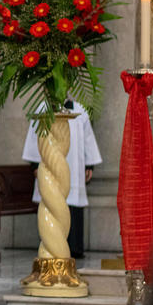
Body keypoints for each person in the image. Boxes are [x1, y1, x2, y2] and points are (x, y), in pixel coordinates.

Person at [21, 100, 102, 258]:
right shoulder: (42, 108)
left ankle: (75, 248)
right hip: (49, 167)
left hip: (74, 167)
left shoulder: (79, 109)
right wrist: (34, 165)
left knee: (73, 203)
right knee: (51, 202)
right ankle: (50, 247)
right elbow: (33, 137)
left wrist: (89, 164)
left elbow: (87, 136)